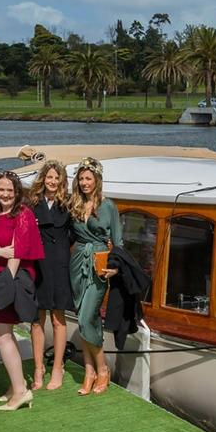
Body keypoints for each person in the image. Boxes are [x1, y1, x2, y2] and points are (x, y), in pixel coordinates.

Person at [0, 171, 43, 411]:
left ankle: (20, 391)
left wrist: (2, 282)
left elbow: (17, 252)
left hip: (10, 278)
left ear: (17, 192)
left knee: (0, 334)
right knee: (3, 333)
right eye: (1, 190)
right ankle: (14, 385)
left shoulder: (24, 214)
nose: (5, 194)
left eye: (10, 190)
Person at [69, 158, 121, 396]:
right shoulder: (75, 204)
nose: (84, 182)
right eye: (81, 178)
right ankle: (89, 371)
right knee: (82, 315)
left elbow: (118, 242)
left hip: (98, 262)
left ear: (97, 180)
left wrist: (115, 267)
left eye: (88, 178)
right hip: (78, 259)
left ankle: (102, 369)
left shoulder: (108, 206)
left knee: (87, 316)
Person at [29, 161, 73, 390]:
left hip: (60, 265)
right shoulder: (33, 203)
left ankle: (57, 367)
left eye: (57, 178)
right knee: (37, 319)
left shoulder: (68, 204)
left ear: (62, 181)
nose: (53, 181)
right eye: (49, 177)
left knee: (58, 318)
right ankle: (38, 368)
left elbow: (74, 234)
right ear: (43, 179)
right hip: (38, 265)